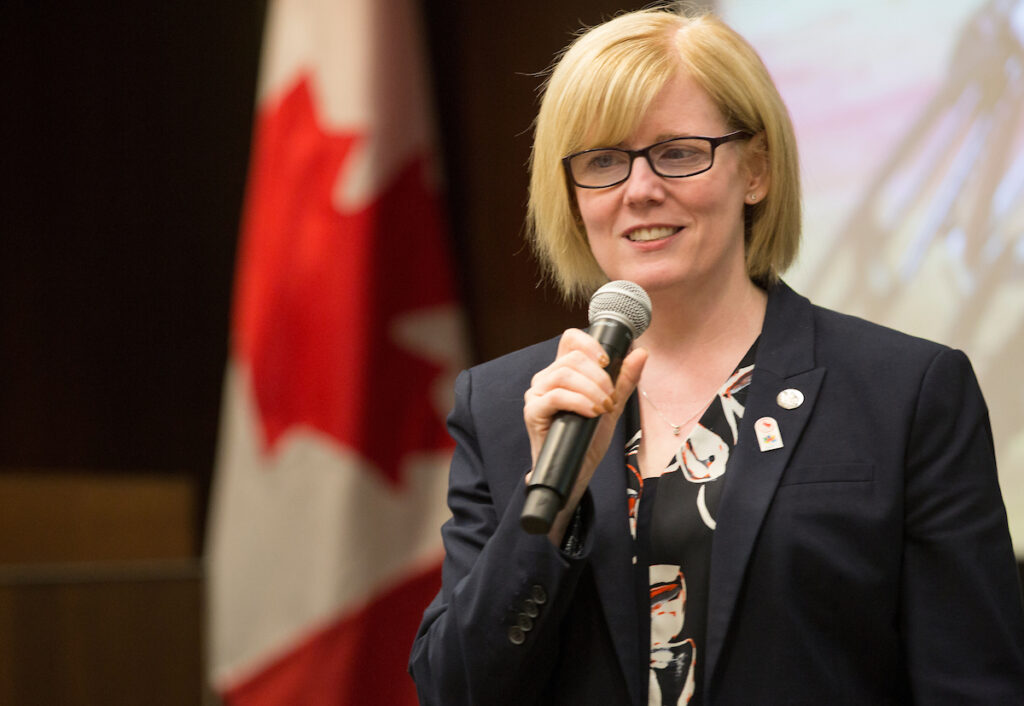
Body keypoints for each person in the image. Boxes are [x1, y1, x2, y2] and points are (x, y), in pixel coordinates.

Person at [408, 6, 1024, 705]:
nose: (640, 189)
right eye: (603, 161)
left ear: (755, 169)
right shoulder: (505, 403)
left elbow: (973, 685)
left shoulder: (907, 392)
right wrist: (545, 513)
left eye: (676, 152)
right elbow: (452, 690)